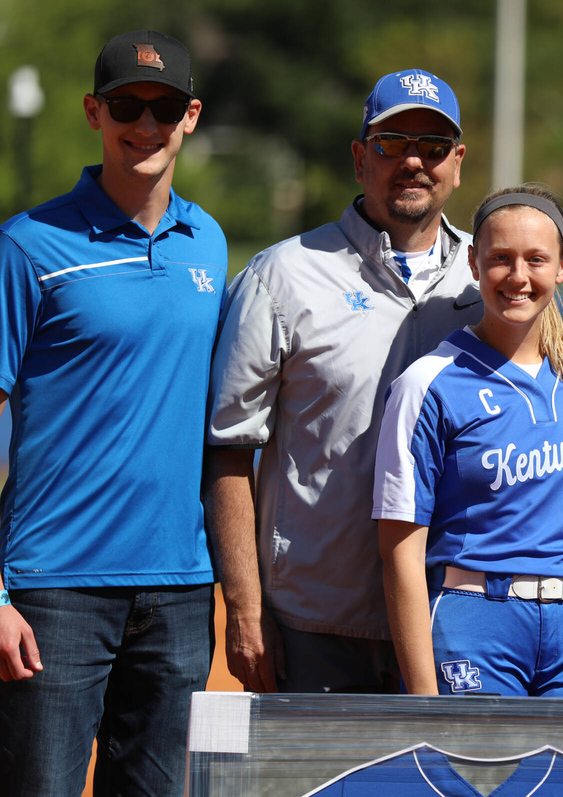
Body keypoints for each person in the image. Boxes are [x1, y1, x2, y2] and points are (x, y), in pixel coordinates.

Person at [0, 30, 222, 797]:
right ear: (94, 112)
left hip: (177, 590)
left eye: (164, 107)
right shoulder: (27, 246)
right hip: (56, 590)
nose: (146, 124)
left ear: (191, 117)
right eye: (127, 106)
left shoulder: (207, 243)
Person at [206, 69, 481, 694]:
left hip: (455, 619)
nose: (414, 161)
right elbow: (227, 450)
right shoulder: (284, 276)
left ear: (457, 163)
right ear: (360, 159)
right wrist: (246, 609)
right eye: (391, 143)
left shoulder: (489, 280)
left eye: (433, 146)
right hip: (315, 623)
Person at [372, 186, 563, 697]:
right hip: (474, 621)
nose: (518, 277)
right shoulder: (429, 383)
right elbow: (399, 553)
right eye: (500, 259)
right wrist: (424, 701)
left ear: (562, 265)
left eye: (536, 259)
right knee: (479, 779)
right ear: (473, 262)